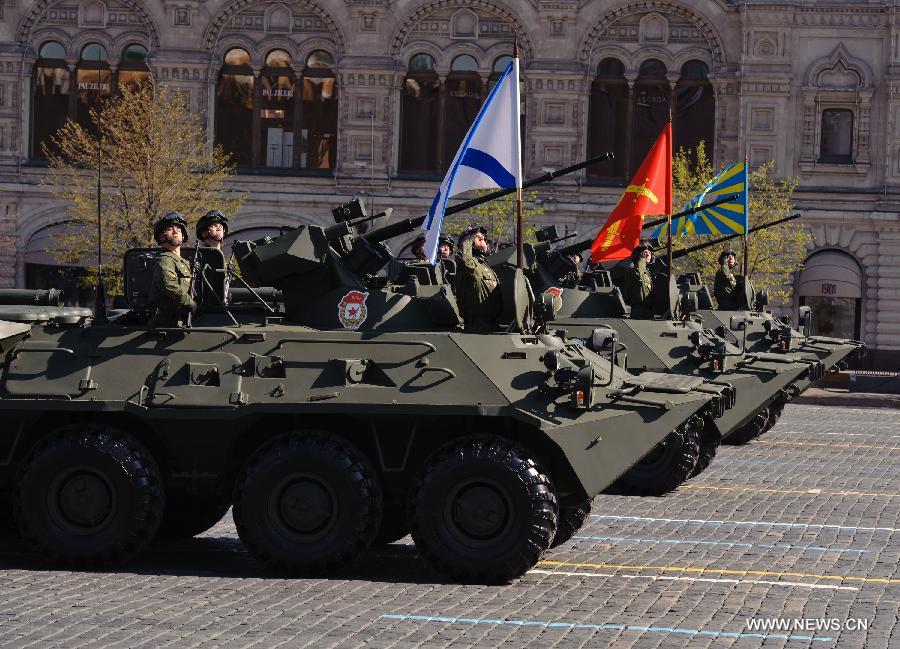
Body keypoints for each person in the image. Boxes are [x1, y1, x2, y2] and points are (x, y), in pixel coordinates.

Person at [148, 211, 196, 327]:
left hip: (180, 320)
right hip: (165, 322)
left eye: (179, 230)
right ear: (161, 236)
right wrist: (190, 302)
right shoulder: (164, 259)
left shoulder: (183, 262)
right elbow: (169, 285)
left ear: (183, 236)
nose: (176, 232)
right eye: (170, 229)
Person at [455, 225, 502, 332]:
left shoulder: (485, 266)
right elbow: (464, 260)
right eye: (479, 238)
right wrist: (469, 239)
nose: (484, 240)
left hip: (493, 324)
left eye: (484, 239)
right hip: (476, 326)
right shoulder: (470, 265)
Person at [621, 242, 655, 318]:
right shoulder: (633, 270)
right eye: (645, 252)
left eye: (650, 253)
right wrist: (641, 259)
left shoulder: (648, 273)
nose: (648, 254)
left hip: (649, 311)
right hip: (638, 311)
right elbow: (640, 278)